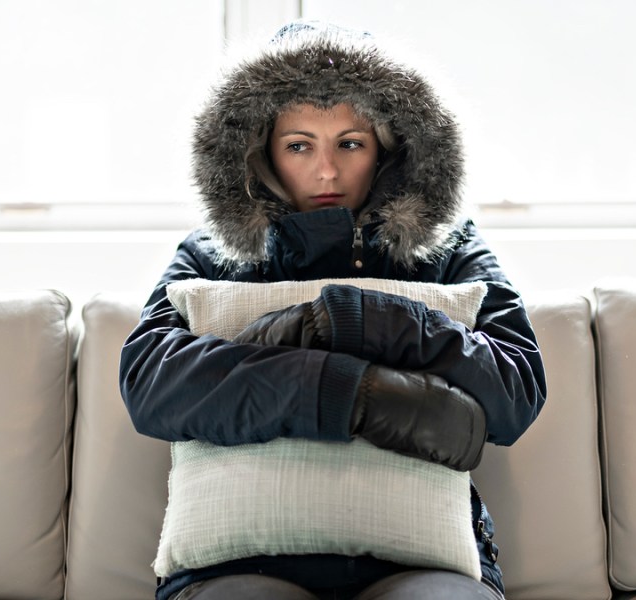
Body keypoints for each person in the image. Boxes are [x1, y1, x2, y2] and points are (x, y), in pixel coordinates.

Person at [120, 20, 546, 600]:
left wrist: (351, 320)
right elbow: (150, 382)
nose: (326, 171)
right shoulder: (211, 253)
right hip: (238, 567)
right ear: (261, 152)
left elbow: (515, 389)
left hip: (422, 567)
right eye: (299, 145)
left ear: (389, 149)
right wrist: (354, 393)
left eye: (350, 143)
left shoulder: (448, 247)